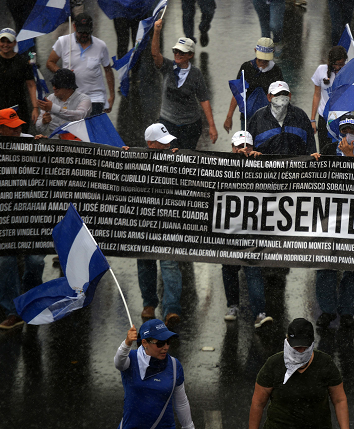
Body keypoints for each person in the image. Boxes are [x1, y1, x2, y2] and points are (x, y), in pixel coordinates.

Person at [0, 108, 45, 329]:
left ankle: (30, 297)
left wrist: (46, 146)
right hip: (1, 214)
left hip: (30, 212)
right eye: (12, 128)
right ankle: (12, 310)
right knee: (5, 263)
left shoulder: (31, 142)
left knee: (36, 261)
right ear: (0, 129)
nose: (18, 131)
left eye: (18, 126)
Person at [312, 115, 354, 330]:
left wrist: (349, 157)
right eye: (344, 130)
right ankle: (327, 310)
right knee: (326, 264)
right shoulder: (328, 149)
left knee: (352, 265)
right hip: (329, 215)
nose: (349, 135)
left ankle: (347, 310)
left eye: (353, 131)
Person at [124, 124, 184, 328]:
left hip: (168, 220)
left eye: (168, 142)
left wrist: (181, 160)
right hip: (143, 221)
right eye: (163, 143)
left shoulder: (174, 159)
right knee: (145, 263)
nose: (168, 147)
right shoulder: (135, 160)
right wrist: (121, 159)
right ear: (150, 144)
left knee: (169, 264)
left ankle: (172, 308)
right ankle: (149, 303)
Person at [249, 318, 349, 429]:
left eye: (304, 347)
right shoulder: (273, 365)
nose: (300, 351)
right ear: (287, 341)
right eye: (296, 348)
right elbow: (258, 403)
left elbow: (339, 400)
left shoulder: (325, 364)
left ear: (312, 343)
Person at [221, 131, 273, 329]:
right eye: (238, 146)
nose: (243, 150)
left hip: (252, 229)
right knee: (228, 268)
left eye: (247, 146)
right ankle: (232, 306)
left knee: (252, 269)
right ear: (232, 148)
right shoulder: (223, 166)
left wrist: (261, 166)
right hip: (229, 228)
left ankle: (260, 312)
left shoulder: (261, 166)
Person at [115, 320, 195, 429]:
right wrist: (127, 343)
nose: (166, 347)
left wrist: (189, 426)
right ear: (144, 343)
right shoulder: (131, 359)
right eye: (160, 343)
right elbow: (118, 363)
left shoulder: (175, 365)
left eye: (168, 342)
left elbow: (181, 402)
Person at [152, 19, 218, 150]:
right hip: (167, 122)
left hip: (190, 125)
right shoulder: (167, 66)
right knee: (171, 156)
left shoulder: (196, 74)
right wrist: (156, 32)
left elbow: (204, 99)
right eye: (176, 51)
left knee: (186, 158)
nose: (177, 54)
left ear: (190, 55)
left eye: (182, 52)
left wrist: (212, 126)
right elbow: (155, 54)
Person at [46, 13, 116, 116]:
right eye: (81, 32)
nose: (84, 35)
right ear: (74, 27)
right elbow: (50, 62)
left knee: (92, 129)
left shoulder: (101, 46)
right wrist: (62, 73)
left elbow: (108, 70)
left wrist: (112, 95)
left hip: (95, 98)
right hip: (71, 97)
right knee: (76, 130)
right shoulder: (63, 42)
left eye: (87, 32)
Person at [223, 38, 283, 133]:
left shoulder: (276, 71)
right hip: (247, 118)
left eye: (266, 59)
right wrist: (229, 117)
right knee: (247, 145)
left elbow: (280, 97)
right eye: (261, 58)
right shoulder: (246, 68)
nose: (263, 61)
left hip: (268, 119)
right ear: (255, 50)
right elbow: (238, 93)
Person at [0, 28, 38, 131]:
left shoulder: (22, 61)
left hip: (18, 108)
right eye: (2, 41)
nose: (5, 45)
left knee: (19, 140)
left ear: (14, 43)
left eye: (9, 42)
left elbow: (31, 85)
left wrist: (35, 108)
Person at [248, 81, 316, 156]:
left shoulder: (301, 116)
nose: (281, 97)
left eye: (284, 94)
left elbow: (311, 145)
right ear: (269, 97)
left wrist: (313, 155)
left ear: (290, 95)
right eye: (277, 94)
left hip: (295, 166)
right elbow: (248, 147)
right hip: (266, 167)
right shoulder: (258, 117)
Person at [310, 46, 347, 151]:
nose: (339, 67)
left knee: (341, 148)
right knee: (324, 149)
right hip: (324, 116)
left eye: (342, 64)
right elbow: (317, 95)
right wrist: (312, 120)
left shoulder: (347, 73)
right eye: (337, 64)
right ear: (331, 62)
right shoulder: (321, 70)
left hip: (342, 117)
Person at [35, 68, 91, 137]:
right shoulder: (50, 98)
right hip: (55, 142)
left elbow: (80, 116)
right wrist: (43, 121)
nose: (54, 88)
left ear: (69, 88)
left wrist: (53, 108)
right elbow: (38, 128)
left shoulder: (84, 99)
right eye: (53, 84)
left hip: (76, 141)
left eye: (57, 86)